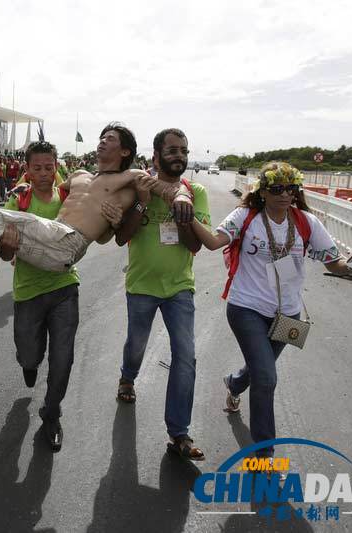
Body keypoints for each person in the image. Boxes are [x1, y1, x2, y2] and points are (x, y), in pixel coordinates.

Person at [188, 161, 352, 462]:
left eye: (291, 188)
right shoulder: (246, 216)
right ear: (262, 191)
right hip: (246, 308)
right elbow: (213, 242)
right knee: (266, 377)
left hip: (289, 315)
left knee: (257, 372)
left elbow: (334, 263)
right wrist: (187, 217)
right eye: (277, 188)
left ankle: (234, 383)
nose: (285, 194)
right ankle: (263, 453)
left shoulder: (306, 222)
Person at [0, 122, 194, 339]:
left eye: (110, 138)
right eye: (101, 136)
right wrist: (22, 187)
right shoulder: (80, 174)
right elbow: (48, 186)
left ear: (125, 152)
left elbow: (170, 188)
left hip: (68, 243)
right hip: (52, 235)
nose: (102, 140)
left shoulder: (130, 177)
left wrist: (182, 198)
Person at [111, 128, 210, 461]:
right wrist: (141, 202)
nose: (178, 155)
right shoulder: (138, 187)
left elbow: (196, 245)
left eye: (183, 150)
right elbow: (121, 238)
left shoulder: (195, 192)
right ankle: (127, 378)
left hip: (180, 288)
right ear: (155, 156)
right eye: (171, 150)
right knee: (136, 344)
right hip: (141, 286)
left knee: (186, 357)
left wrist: (182, 211)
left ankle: (178, 433)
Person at [0, 142, 79, 452]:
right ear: (27, 170)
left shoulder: (69, 199)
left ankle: (52, 413)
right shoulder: (18, 200)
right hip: (29, 292)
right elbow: (5, 252)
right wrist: (7, 243)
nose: (45, 174)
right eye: (37, 168)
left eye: (50, 167)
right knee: (30, 355)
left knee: (63, 359)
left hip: (65, 289)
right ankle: (28, 363)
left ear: (56, 166)